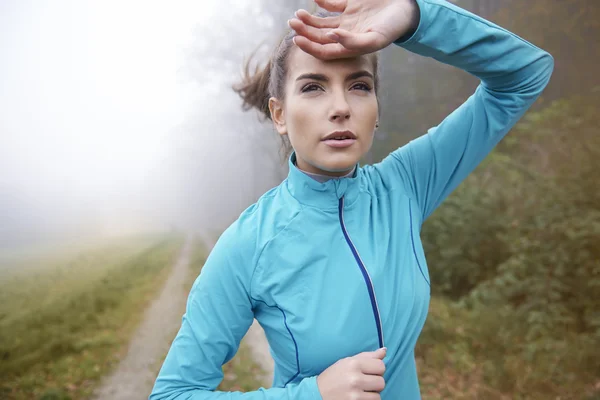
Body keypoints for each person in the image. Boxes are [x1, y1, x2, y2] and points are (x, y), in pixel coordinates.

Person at [149, 0, 553, 398]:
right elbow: (173, 394)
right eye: (313, 87)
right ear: (279, 115)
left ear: (376, 110)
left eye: (359, 86)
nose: (341, 108)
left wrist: (415, 16)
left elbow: (525, 74)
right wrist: (312, 395)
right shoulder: (250, 243)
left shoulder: (405, 186)